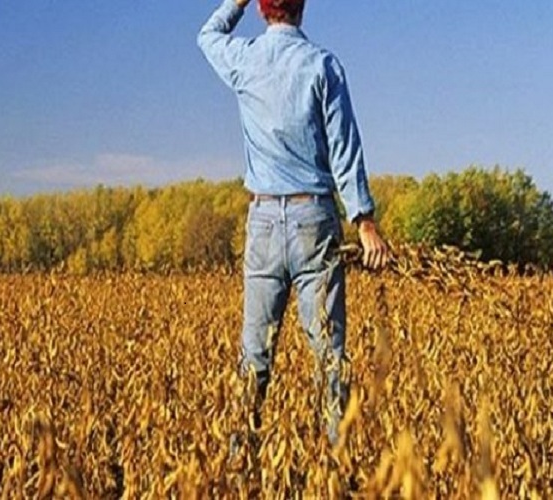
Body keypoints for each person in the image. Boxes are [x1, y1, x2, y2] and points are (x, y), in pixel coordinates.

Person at [197, 0, 388, 446]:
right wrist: (364, 221)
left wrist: (237, 1)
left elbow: (207, 35)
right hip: (314, 219)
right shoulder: (323, 66)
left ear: (261, 10)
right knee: (329, 357)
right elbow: (345, 148)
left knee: (254, 359)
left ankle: (237, 465)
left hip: (263, 221)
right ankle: (339, 463)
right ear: (302, 7)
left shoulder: (243, 60)